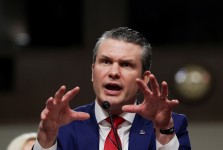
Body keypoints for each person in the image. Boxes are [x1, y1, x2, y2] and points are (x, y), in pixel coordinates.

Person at [33, 27, 191, 150]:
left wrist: (164, 132)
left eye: (126, 64)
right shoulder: (64, 128)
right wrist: (46, 138)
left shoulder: (171, 126)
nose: (114, 72)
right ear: (93, 71)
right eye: (106, 62)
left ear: (143, 78)